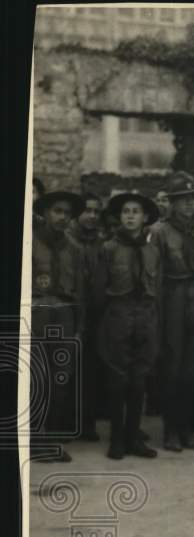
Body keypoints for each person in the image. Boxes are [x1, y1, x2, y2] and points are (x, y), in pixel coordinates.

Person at [151, 172, 194, 452]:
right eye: (182, 200)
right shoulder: (159, 232)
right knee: (173, 367)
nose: (189, 205)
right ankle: (171, 431)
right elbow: (155, 275)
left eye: (192, 199)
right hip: (173, 297)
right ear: (172, 203)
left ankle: (187, 429)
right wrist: (158, 313)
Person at [93, 191, 161, 459]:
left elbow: (158, 288)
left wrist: (155, 320)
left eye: (135, 211)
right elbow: (99, 290)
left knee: (139, 380)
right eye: (125, 212)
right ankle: (117, 439)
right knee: (118, 380)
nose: (130, 216)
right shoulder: (108, 249)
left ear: (145, 218)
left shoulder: (152, 249)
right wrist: (104, 323)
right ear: (119, 218)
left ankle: (134, 438)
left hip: (145, 317)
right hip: (118, 317)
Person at [30, 190, 87, 462]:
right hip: (36, 312)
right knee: (34, 378)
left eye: (67, 213)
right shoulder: (29, 241)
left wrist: (79, 325)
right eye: (57, 211)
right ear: (45, 212)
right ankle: (33, 439)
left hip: (64, 315)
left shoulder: (74, 248)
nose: (62, 217)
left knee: (59, 378)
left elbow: (80, 290)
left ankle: (50, 440)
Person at [69, 191, 106, 441]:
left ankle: (88, 423)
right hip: (72, 311)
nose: (92, 216)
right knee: (69, 369)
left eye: (96, 211)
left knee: (92, 369)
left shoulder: (101, 243)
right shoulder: (68, 240)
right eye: (87, 210)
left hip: (97, 312)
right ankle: (65, 422)